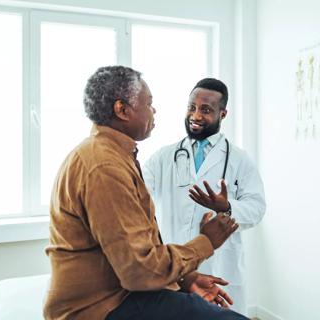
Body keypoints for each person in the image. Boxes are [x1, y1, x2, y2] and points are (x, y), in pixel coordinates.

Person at [44, 66, 248, 320]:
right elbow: (139, 270)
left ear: (222, 114)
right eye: (149, 103)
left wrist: (184, 279)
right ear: (122, 110)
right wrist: (207, 241)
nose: (154, 110)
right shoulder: (104, 167)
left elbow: (129, 248)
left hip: (122, 292)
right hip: (101, 307)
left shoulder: (113, 155)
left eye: (205, 109)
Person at [143, 78, 266, 315]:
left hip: (220, 265)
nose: (196, 115)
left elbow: (257, 207)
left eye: (206, 110)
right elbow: (137, 193)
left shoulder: (239, 159)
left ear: (223, 113)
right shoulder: (163, 157)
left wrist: (227, 207)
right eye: (192, 107)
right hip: (176, 263)